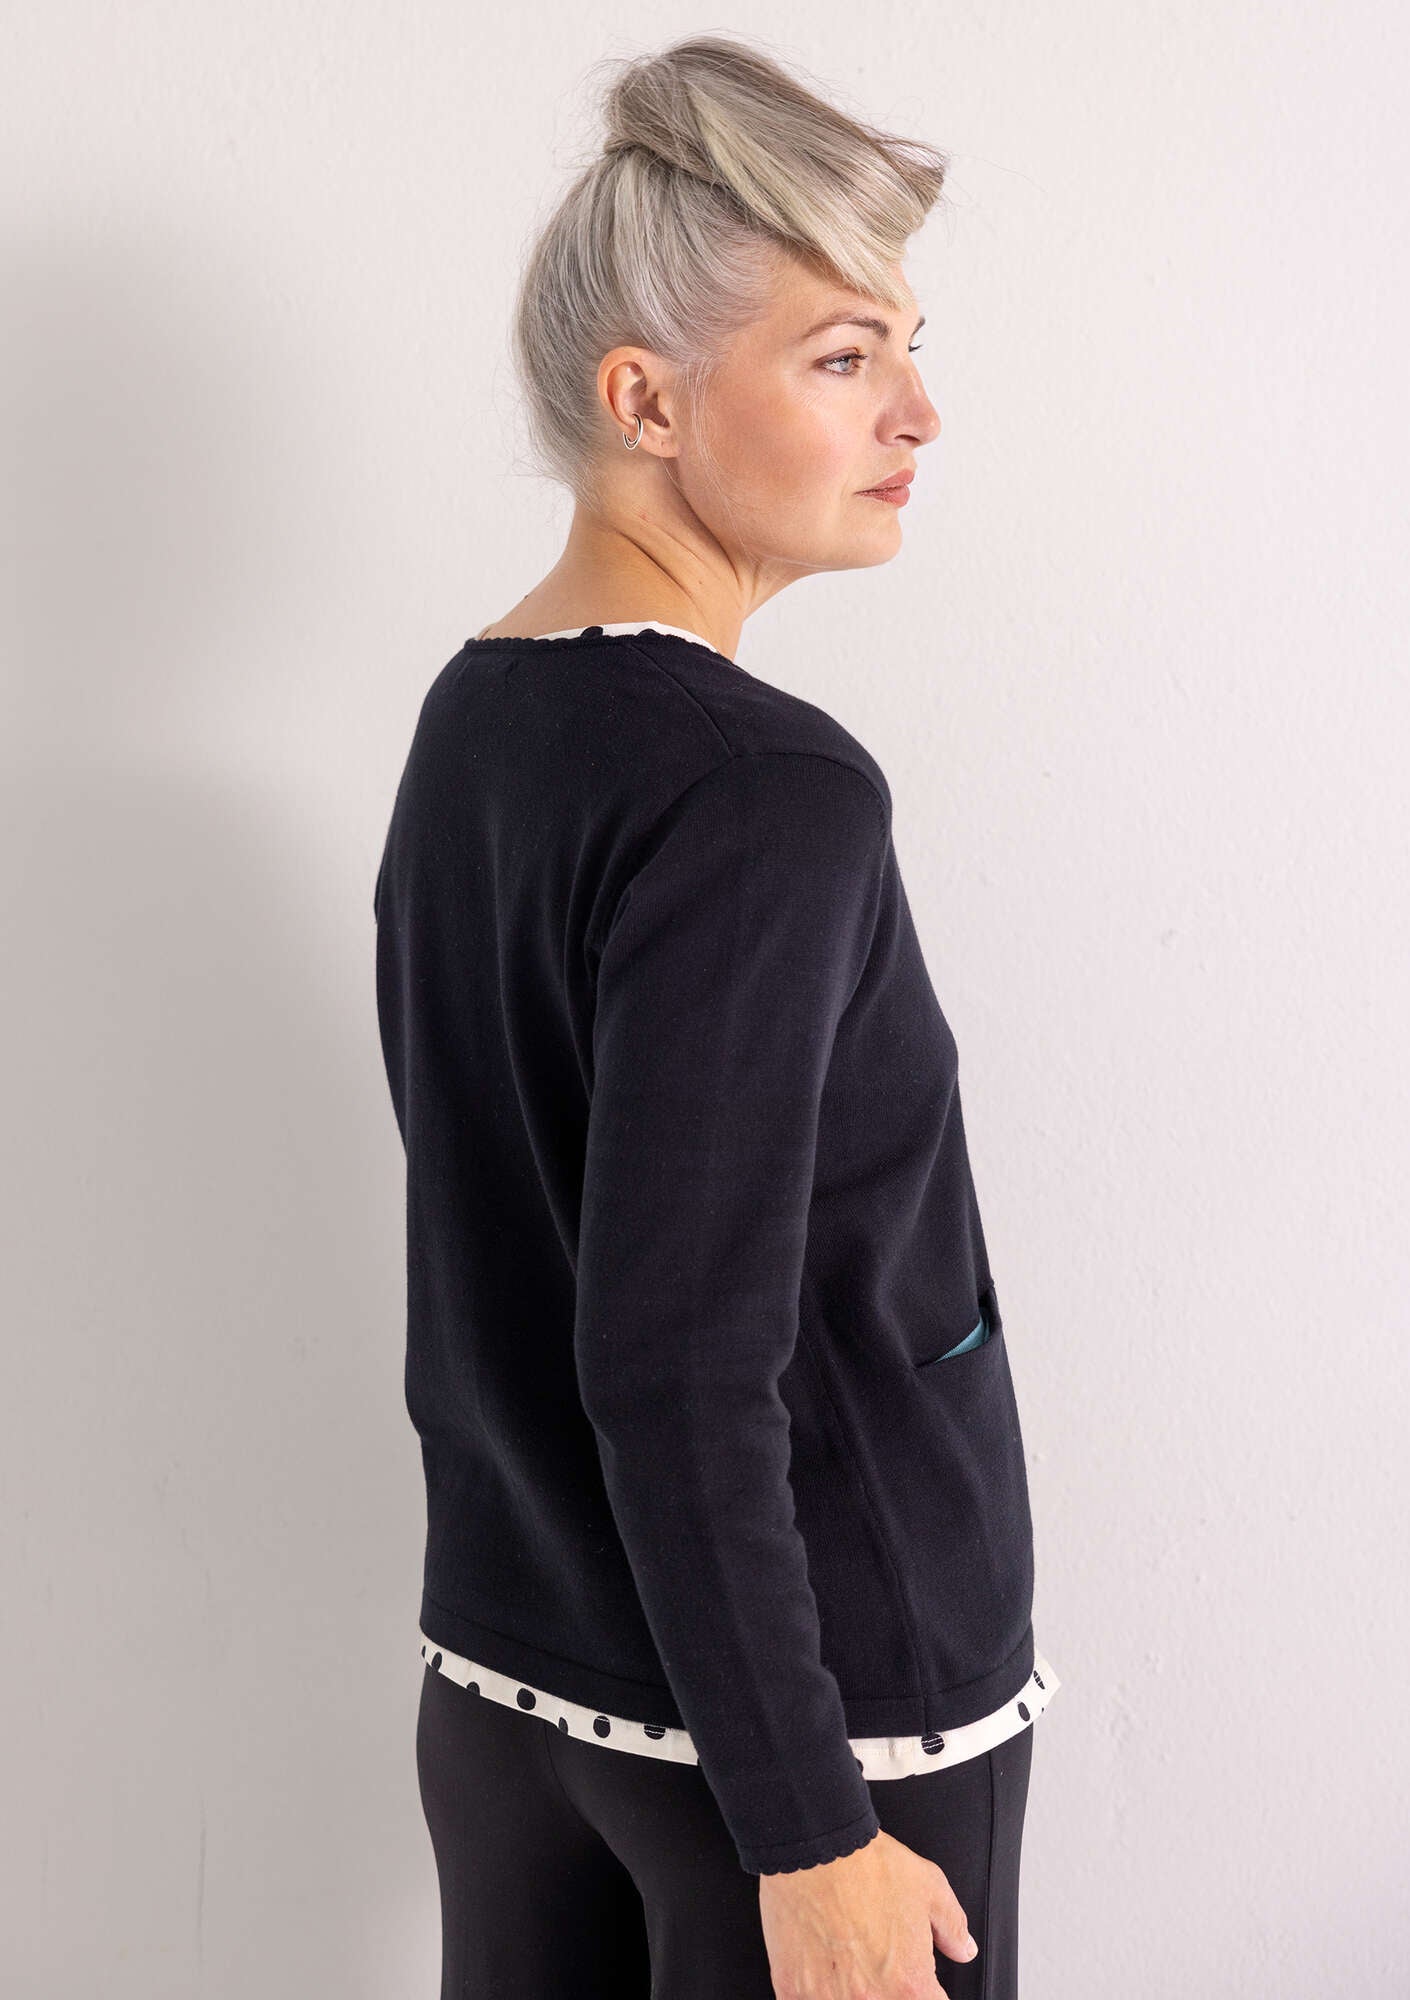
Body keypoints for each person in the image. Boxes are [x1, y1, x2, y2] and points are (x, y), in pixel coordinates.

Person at [374, 32, 1060, 2000]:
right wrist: (811, 1827)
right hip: (811, 1738)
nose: (917, 411)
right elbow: (677, 1355)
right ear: (644, 399)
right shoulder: (763, 787)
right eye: (843, 358)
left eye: (907, 348)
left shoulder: (478, 721)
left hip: (515, 1694)